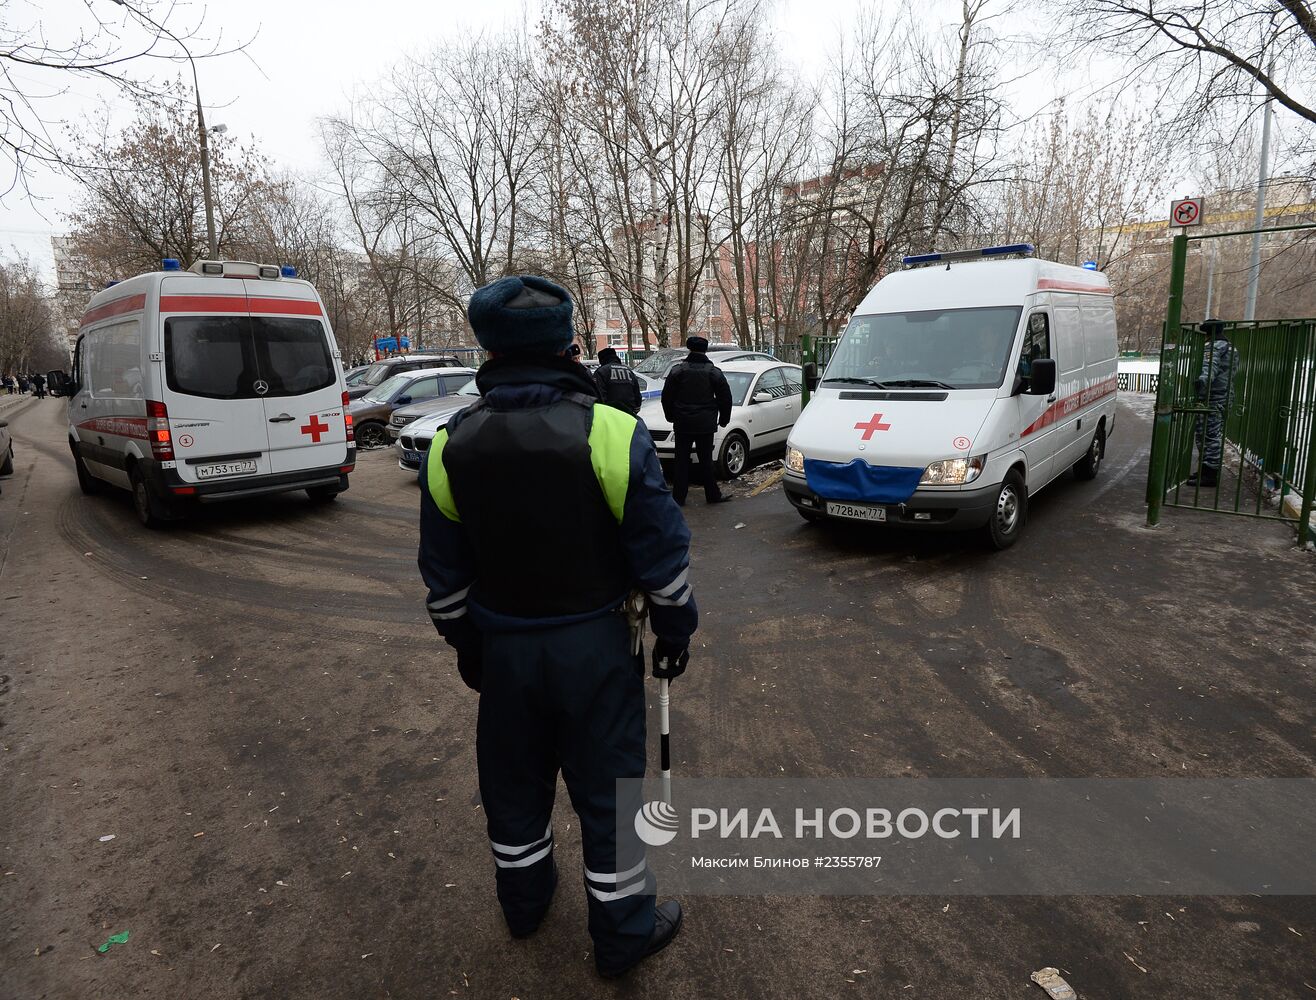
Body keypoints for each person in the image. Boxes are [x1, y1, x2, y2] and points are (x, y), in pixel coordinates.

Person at [417, 274, 696, 978]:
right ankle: (622, 935)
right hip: (596, 650)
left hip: (505, 651)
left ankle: (524, 904)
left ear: (488, 350)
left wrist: (474, 648)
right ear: (570, 346)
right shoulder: (612, 431)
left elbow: (443, 584)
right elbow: (662, 559)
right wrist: (675, 632)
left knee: (514, 787)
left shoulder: (451, 446)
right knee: (609, 797)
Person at [660, 336, 733, 506]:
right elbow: (725, 397)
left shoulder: (678, 371)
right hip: (705, 424)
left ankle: (678, 497)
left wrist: (670, 416)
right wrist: (723, 419)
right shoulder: (713, 372)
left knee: (681, 461)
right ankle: (712, 495)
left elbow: (666, 397)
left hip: (683, 423)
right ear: (705, 350)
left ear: (689, 348)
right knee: (706, 460)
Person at [1188, 318, 1238, 488]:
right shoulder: (1231, 348)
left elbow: (1210, 367)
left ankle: (1209, 474)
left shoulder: (1214, 347)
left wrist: (1202, 382)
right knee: (1212, 434)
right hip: (1224, 396)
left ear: (1208, 333)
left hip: (1212, 397)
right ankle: (1206, 470)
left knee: (1208, 435)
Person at [594, 346, 642, 416]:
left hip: (610, 415)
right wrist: (634, 411)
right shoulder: (628, 371)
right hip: (629, 415)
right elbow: (637, 395)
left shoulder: (601, 372)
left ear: (602, 359)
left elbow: (599, 395)